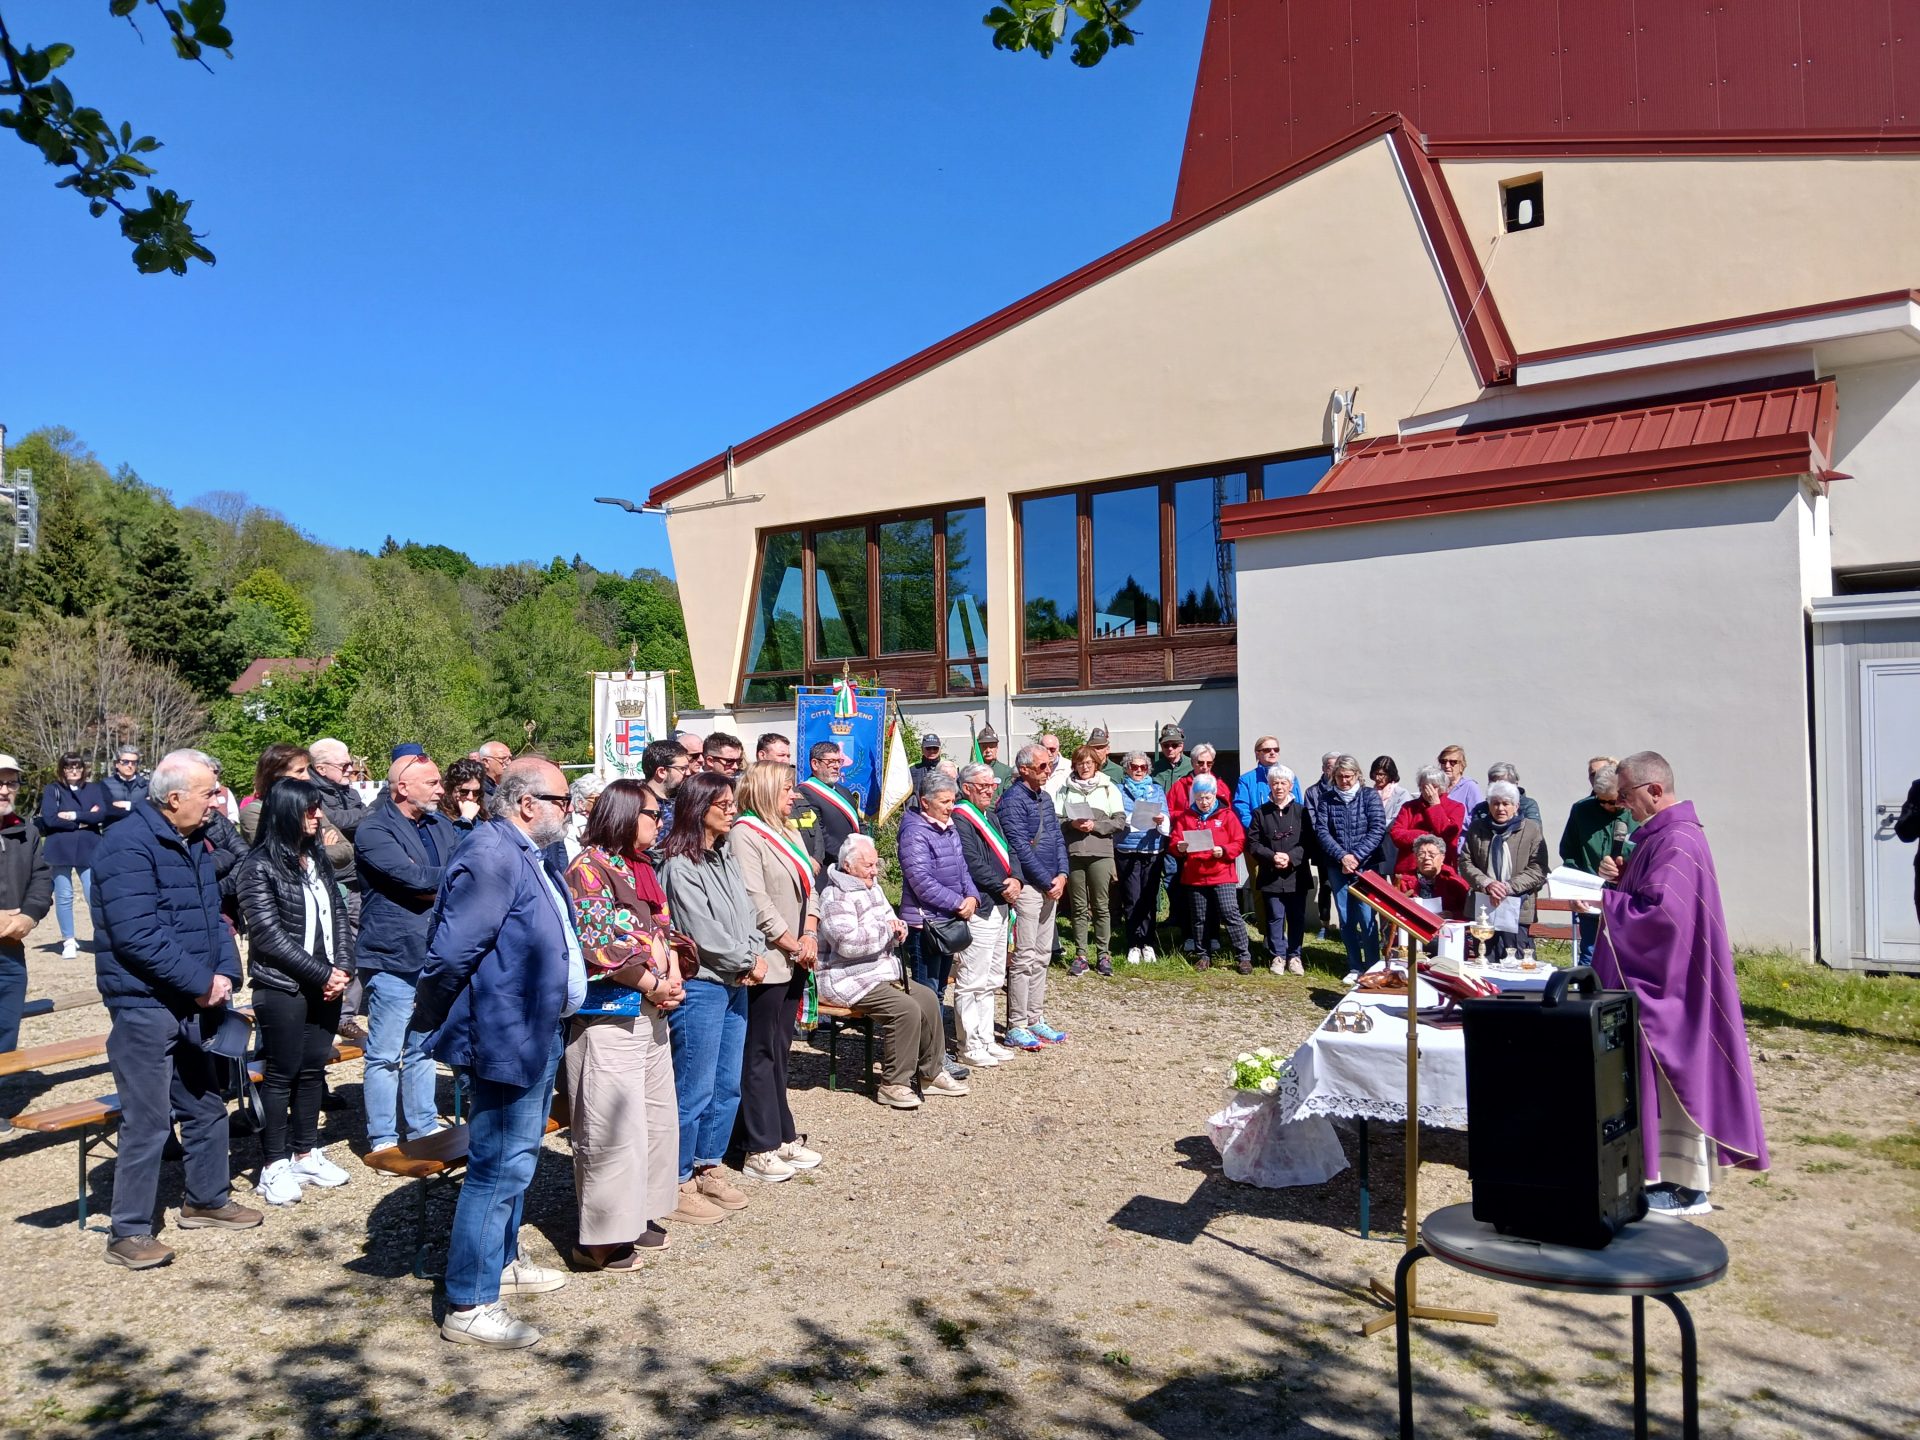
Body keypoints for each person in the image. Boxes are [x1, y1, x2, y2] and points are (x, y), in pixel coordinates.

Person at [409, 757, 583, 1348]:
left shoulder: (519, 851)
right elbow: (453, 952)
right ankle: (470, 1301)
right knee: (497, 1166)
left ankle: (502, 1264)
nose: (569, 811)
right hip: (505, 1030)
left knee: (518, 1158)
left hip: (532, 1027)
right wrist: (432, 1019)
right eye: (561, 800)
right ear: (526, 803)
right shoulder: (490, 854)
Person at [92, 749, 263, 1268]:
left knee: (205, 1103)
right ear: (174, 798)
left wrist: (225, 974)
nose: (218, 802)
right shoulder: (127, 845)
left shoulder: (191, 842)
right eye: (210, 793)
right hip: (145, 1003)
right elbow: (137, 934)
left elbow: (213, 919)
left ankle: (206, 1199)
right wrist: (197, 983)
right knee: (146, 1121)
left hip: (194, 999)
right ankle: (128, 1233)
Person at [1593, 751, 1770, 1214]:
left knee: (1679, 1074)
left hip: (1674, 988)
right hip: (1669, 980)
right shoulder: (1661, 837)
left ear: (1654, 790)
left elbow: (1664, 919)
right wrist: (1620, 879)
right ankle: (1668, 1176)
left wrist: (1606, 906)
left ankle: (1689, 1187)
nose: (1623, 806)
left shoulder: (1678, 841)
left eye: (1627, 796)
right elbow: (1649, 895)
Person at [563, 779, 685, 1269]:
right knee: (610, 1126)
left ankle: (642, 1214)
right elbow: (596, 944)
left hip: (652, 1011)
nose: (660, 823)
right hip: (609, 1015)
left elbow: (662, 927)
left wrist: (673, 971)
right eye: (652, 814)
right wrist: (651, 982)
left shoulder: (640, 867)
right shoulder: (587, 869)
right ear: (624, 814)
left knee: (655, 1119)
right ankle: (600, 1239)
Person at [234, 777, 355, 1207]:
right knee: (281, 1074)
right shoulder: (257, 866)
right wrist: (321, 974)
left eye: (318, 807)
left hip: (326, 983)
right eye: (309, 809)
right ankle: (272, 1165)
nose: (318, 815)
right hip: (282, 986)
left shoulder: (316, 858)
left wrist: (342, 966)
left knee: (312, 1070)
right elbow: (266, 935)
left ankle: (306, 1151)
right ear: (286, 812)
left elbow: (338, 914)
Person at [657, 771, 762, 1225]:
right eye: (724, 804)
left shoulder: (725, 857)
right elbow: (700, 931)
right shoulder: (679, 865)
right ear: (699, 808)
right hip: (703, 984)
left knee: (726, 1084)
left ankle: (707, 1165)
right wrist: (744, 958)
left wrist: (755, 951)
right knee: (693, 1087)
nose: (733, 809)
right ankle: (676, 1180)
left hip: (735, 980)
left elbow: (747, 910)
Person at [353, 754, 456, 1155]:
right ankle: (382, 1137)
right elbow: (411, 879)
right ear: (402, 787)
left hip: (434, 952)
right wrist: (448, 878)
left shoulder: (440, 824)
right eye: (431, 783)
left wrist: (440, 879)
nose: (440, 789)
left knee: (422, 1047)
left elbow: (461, 865)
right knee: (385, 1052)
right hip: (393, 954)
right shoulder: (374, 829)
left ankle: (423, 1126)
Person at [729, 762, 823, 1183]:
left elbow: (810, 888)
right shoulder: (745, 834)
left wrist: (810, 932)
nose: (794, 796)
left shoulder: (788, 830)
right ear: (767, 790)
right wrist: (790, 941)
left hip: (797, 953)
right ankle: (757, 1144)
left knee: (781, 1049)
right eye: (787, 789)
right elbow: (755, 897)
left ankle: (781, 1131)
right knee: (759, 1051)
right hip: (770, 957)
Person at [817, 834, 960, 1108]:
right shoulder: (835, 895)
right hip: (845, 976)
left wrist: (899, 929)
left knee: (928, 998)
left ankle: (930, 1073)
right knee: (905, 1009)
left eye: (876, 864)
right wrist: (886, 932)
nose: (875, 871)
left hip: (879, 971)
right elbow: (847, 944)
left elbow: (891, 920)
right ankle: (894, 1083)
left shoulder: (874, 888)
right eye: (869, 866)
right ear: (848, 866)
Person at [897, 770, 980, 1077]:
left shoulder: (948, 828)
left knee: (939, 992)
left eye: (953, 800)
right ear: (924, 802)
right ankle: (927, 1061)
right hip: (924, 926)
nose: (950, 807)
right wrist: (957, 902)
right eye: (944, 801)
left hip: (947, 923)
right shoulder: (915, 832)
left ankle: (936, 1054)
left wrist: (972, 896)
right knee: (926, 993)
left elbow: (962, 868)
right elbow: (921, 880)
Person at [995, 745, 1068, 1050]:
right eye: (1041, 766)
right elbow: (1020, 847)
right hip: (1029, 888)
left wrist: (1063, 874)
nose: (1047, 771)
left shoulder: (1046, 798)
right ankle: (1017, 1024)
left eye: (1049, 765)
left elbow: (1057, 838)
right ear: (1023, 769)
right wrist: (1045, 880)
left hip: (1052, 884)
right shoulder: (1012, 801)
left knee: (1042, 955)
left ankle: (1036, 1017)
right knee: (1024, 958)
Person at [952, 763, 1019, 1064]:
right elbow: (972, 861)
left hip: (1002, 904)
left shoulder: (991, 816)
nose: (990, 791)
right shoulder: (960, 817)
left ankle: (986, 1037)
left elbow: (1010, 850)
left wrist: (1016, 878)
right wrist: (1002, 886)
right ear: (966, 788)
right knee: (972, 977)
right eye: (984, 786)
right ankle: (968, 1045)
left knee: (993, 977)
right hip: (982, 903)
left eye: (993, 786)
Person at [1309, 755, 1387, 977]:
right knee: (1346, 917)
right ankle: (1354, 964)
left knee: (1366, 916)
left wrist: (1356, 856)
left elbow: (1377, 828)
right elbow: (1322, 831)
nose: (1344, 781)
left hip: (1366, 866)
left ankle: (1372, 965)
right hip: (1337, 866)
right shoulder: (1326, 799)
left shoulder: (1369, 796)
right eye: (1340, 777)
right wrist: (1343, 856)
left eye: (1348, 777)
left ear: (1357, 775)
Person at [1055, 744, 1127, 976]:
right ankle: (1081, 954)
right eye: (1080, 762)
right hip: (1074, 853)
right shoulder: (1065, 789)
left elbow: (1119, 822)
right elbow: (1056, 821)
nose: (1084, 767)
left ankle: (1104, 955)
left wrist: (1095, 825)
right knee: (1077, 908)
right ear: (1074, 764)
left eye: (1089, 762)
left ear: (1096, 764)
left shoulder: (1108, 788)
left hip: (1101, 854)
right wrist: (1071, 824)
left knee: (1101, 906)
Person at [1460, 780, 1550, 963]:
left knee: (1516, 961)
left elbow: (1538, 868)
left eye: (1506, 803)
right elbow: (1465, 862)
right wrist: (1487, 883)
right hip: (1485, 907)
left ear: (1516, 806)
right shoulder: (1478, 829)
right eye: (1495, 803)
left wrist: (1508, 887)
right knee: (1484, 960)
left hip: (1517, 907)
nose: (1500, 808)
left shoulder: (1531, 830)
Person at [1559, 762, 1638, 965]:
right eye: (1599, 801)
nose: (1605, 807)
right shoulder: (1581, 811)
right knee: (1590, 958)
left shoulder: (1637, 814)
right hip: (1590, 899)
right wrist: (1574, 893)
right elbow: (1570, 855)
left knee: (1626, 961)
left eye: (1611, 802)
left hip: (1628, 901)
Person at [1173, 774, 1252, 972]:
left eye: (1208, 797)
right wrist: (1179, 847)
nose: (1204, 802)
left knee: (1230, 913)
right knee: (1199, 917)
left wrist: (1224, 850)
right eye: (1199, 798)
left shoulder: (1226, 815)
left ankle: (1243, 956)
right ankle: (1203, 955)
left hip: (1222, 873)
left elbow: (1239, 841)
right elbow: (1174, 842)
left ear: (1215, 795)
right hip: (1195, 875)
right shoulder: (1186, 817)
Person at [0, 754, 51, 1056]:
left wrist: (30, 917)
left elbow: (41, 880)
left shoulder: (26, 831)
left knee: (5, 1036)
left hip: (9, 952)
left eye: (11, 783)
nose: (4, 791)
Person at [39, 752, 106, 959]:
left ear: (83, 769)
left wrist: (73, 815)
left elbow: (101, 814)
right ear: (62, 770)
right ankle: (68, 940)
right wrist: (85, 820)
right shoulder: (53, 790)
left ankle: (102, 937)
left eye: (77, 767)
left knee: (92, 895)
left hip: (88, 847)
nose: (74, 771)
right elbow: (50, 819)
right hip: (60, 848)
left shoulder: (94, 788)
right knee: (64, 895)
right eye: (69, 767)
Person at [1245, 765, 1311, 975]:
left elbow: (1309, 843)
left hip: (1296, 873)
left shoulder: (1302, 812)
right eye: (1275, 783)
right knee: (1274, 915)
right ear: (1269, 786)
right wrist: (1272, 857)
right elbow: (1253, 843)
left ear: (1291, 785)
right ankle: (1277, 956)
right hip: (1270, 872)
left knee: (1296, 916)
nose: (1279, 787)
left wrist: (1290, 858)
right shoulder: (1260, 812)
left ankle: (1295, 956)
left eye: (1283, 783)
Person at [1113, 751, 1169, 965]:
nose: (1138, 770)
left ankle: (1148, 942)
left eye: (1142, 767)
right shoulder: (1118, 790)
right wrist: (1131, 819)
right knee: (1131, 897)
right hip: (1127, 848)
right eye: (1134, 767)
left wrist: (1161, 819)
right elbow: (1115, 814)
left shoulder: (1156, 789)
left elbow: (1166, 817)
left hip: (1152, 848)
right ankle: (1133, 943)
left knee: (1148, 898)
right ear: (1126, 768)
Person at [792, 741, 863, 881]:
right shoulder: (805, 792)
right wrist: (845, 858)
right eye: (831, 762)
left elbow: (860, 823)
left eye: (839, 761)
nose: (837, 766)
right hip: (830, 866)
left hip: (853, 862)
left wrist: (864, 848)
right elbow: (820, 832)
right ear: (815, 764)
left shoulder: (844, 791)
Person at [1388, 765, 1465, 875]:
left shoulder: (1456, 807)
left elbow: (1448, 834)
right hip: (1409, 870)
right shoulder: (1409, 807)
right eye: (1425, 786)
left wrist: (1435, 806)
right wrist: (1425, 835)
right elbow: (1396, 834)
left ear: (1443, 787)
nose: (1430, 791)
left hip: (1441, 870)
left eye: (1434, 787)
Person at [237, 743, 313, 844]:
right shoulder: (255, 812)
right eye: (300, 771)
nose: (308, 777)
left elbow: (341, 848)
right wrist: (310, 839)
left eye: (308, 770)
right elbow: (272, 851)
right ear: (275, 776)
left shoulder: (310, 805)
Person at [1305, 751, 1340, 937]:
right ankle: (1324, 925)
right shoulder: (1312, 792)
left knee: (1346, 888)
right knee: (1326, 885)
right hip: (1323, 847)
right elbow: (1313, 820)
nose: (1333, 770)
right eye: (1330, 766)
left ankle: (1347, 925)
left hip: (1345, 849)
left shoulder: (1346, 789)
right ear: (1323, 768)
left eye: (1337, 766)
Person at [640, 738, 690, 855]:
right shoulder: (637, 803)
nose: (687, 773)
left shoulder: (684, 799)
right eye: (682, 769)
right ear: (661, 771)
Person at [1233, 737, 1298, 827]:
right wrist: (1255, 829)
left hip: (1287, 833)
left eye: (1276, 749)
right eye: (1267, 750)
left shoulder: (1290, 776)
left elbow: (1298, 805)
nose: (1272, 752)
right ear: (1257, 753)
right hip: (1258, 834)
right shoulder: (1246, 780)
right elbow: (1242, 809)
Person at [1463, 761, 1543, 832]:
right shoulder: (1481, 808)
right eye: (1493, 784)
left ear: (1515, 784)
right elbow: (1475, 835)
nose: (1498, 789)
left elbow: (1534, 834)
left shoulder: (1528, 805)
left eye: (1503, 785)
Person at [1369, 756, 1412, 874]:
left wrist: (1374, 827)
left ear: (1390, 774)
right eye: (1375, 774)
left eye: (1382, 774)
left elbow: (1397, 821)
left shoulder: (1401, 794)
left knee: (1397, 887)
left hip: (1394, 847)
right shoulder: (1370, 793)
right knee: (1376, 886)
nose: (1377, 778)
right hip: (1373, 847)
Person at [1165, 743, 1222, 818]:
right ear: (1192, 763)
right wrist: (1186, 816)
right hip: (1184, 827)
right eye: (1200, 763)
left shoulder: (1220, 785)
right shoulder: (1179, 786)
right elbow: (1167, 813)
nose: (1205, 767)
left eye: (1209, 763)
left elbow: (1227, 814)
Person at [564, 773, 605, 861]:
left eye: (605, 798)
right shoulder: (571, 827)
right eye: (597, 799)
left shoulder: (604, 820)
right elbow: (572, 860)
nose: (603, 803)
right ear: (581, 802)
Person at [439, 757, 489, 831]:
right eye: (464, 792)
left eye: (476, 792)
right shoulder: (438, 818)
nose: (470, 797)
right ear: (450, 789)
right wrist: (466, 819)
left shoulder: (480, 814)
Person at [99, 745, 144, 824]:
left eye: (133, 762)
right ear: (116, 764)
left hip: (140, 829)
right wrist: (139, 808)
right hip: (114, 829)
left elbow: (153, 808)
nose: (130, 765)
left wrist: (128, 805)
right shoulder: (106, 784)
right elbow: (107, 810)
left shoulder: (146, 785)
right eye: (125, 762)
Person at [1438, 744, 1482, 821]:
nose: (1447, 765)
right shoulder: (1437, 787)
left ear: (1461, 766)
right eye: (1443, 761)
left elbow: (1479, 818)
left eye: (1453, 762)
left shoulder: (1470, 786)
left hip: (1462, 832)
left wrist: (1452, 820)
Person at [977, 725, 1015, 796]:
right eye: (984, 747)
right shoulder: (973, 770)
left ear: (997, 747)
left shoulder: (1006, 771)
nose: (988, 750)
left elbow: (1009, 796)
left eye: (991, 746)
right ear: (979, 748)